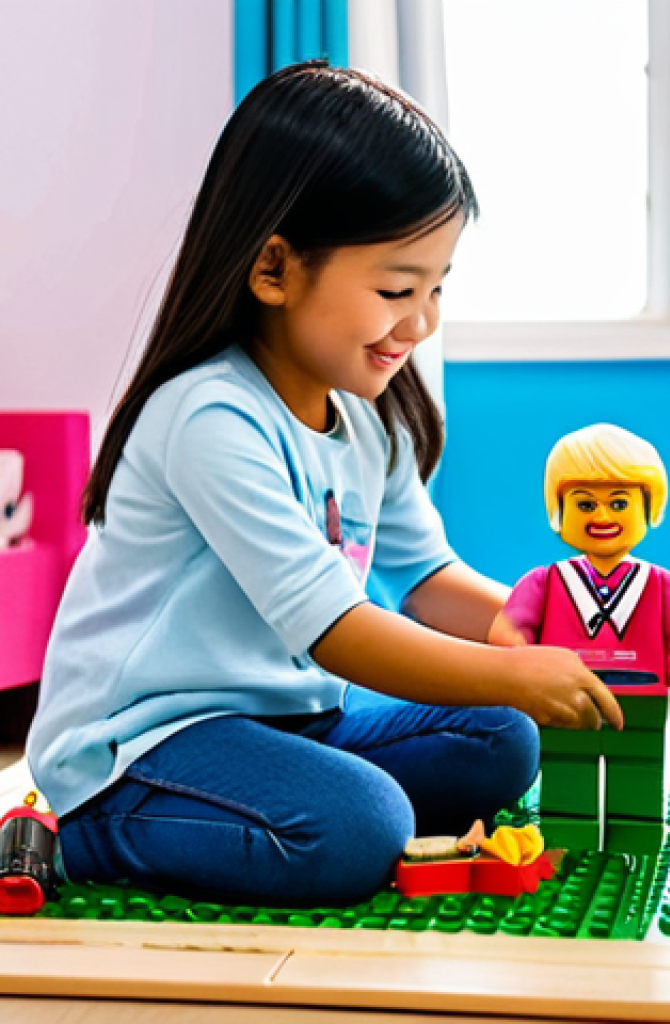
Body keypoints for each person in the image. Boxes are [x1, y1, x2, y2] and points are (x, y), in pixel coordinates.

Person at [26, 62, 622, 908]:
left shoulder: (365, 420)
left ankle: (271, 810)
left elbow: (427, 581)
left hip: (290, 725)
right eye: (395, 289)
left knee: (502, 736)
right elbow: (334, 629)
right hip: (143, 747)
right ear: (275, 269)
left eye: (436, 288)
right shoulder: (210, 417)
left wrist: (564, 629)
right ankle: (80, 835)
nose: (419, 323)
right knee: (358, 827)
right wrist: (511, 670)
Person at [489, 424, 670, 854]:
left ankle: (636, 844)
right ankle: (570, 841)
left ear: (649, 508)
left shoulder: (662, 585)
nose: (601, 516)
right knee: (568, 771)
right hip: (565, 696)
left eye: (619, 502)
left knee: (638, 774)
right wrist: (519, 667)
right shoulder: (546, 581)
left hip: (640, 696)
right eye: (585, 503)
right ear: (559, 510)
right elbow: (508, 631)